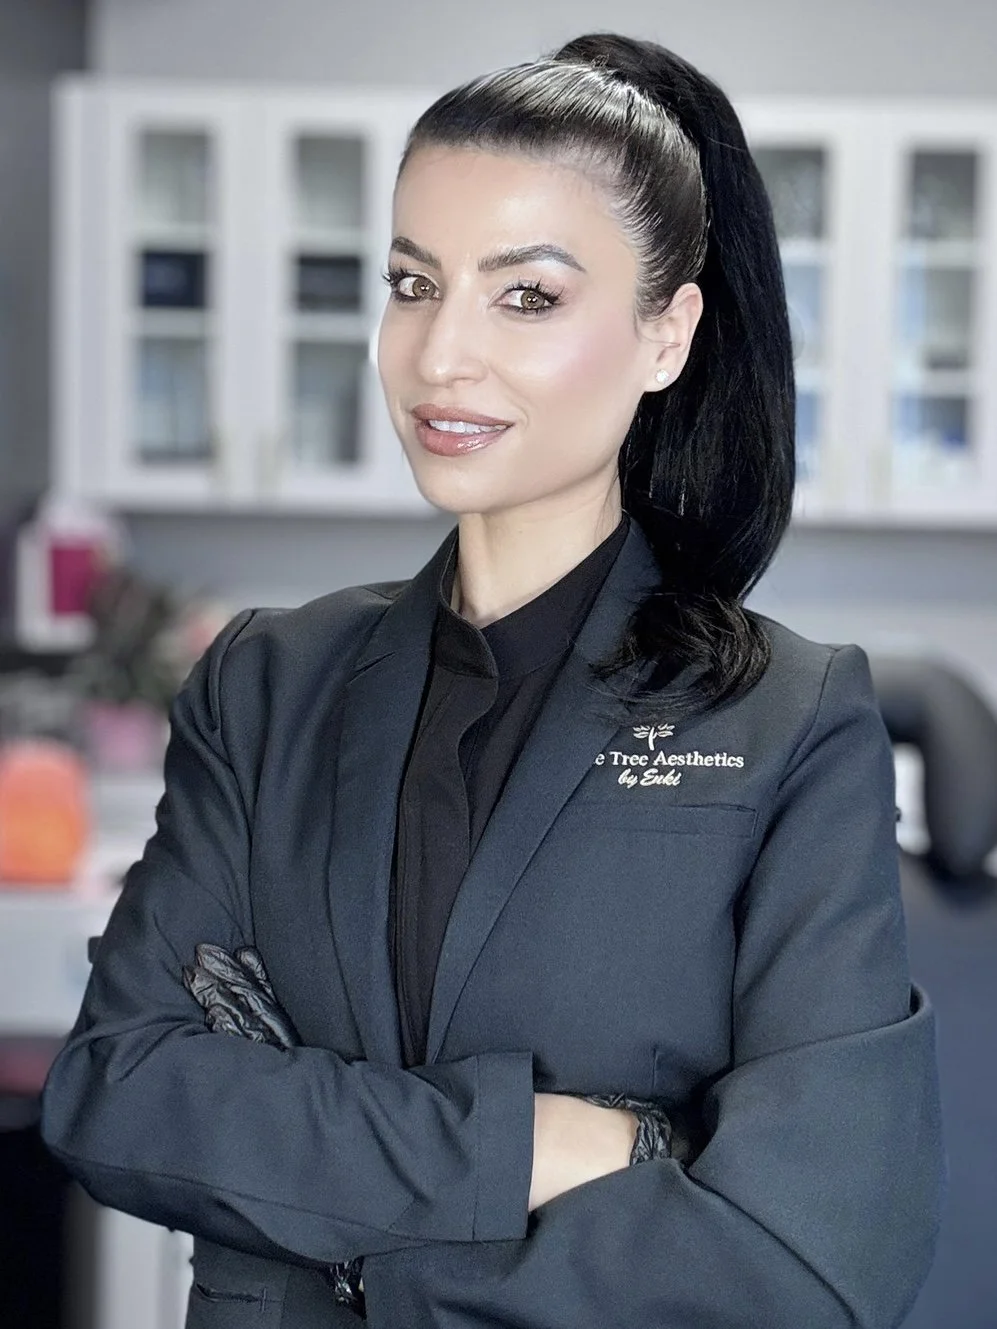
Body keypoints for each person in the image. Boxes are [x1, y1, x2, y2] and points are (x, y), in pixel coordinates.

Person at [40, 31, 944, 1329]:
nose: (439, 354)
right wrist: (537, 1148)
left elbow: (818, 1256)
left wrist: (341, 1230)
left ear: (667, 334)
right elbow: (120, 1093)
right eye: (413, 283)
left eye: (527, 297)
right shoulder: (267, 684)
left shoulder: (788, 725)